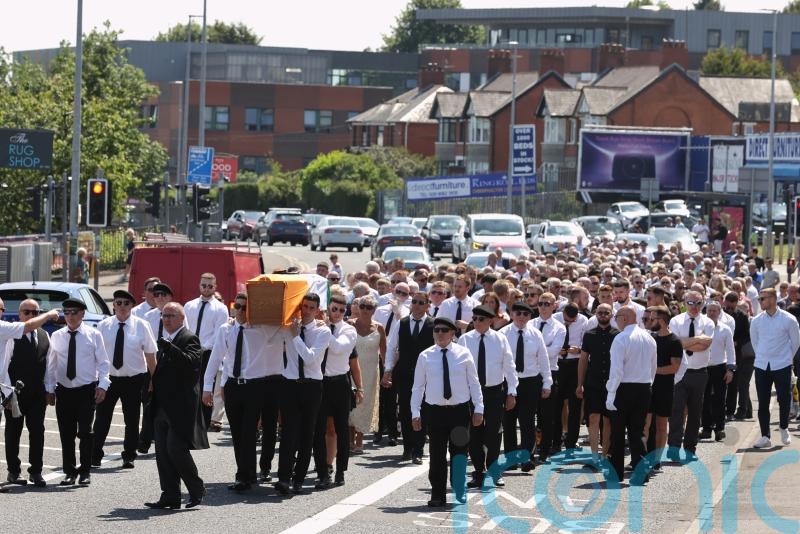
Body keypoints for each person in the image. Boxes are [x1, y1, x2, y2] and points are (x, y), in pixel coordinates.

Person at [203, 292, 278, 491]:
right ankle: (246, 473)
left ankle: (244, 476)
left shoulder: (263, 329)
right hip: (233, 386)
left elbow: (284, 324)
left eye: (245, 307)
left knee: (248, 431)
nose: (241, 311)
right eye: (238, 306)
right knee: (237, 433)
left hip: (254, 386)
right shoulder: (226, 329)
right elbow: (216, 358)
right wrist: (207, 388)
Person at [411, 316, 483, 507]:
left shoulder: (464, 353)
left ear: (452, 333)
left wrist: (479, 408)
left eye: (444, 330)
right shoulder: (425, 356)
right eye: (437, 330)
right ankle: (437, 494)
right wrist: (415, 412)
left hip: (459, 412)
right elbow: (418, 387)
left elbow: (474, 383)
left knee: (459, 453)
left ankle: (458, 489)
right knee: (436, 454)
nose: (440, 334)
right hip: (435, 412)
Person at [145, 302, 208, 509]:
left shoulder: (189, 338)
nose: (166, 319)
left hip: (181, 407)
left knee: (176, 449)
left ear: (181, 318)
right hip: (162, 405)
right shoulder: (167, 339)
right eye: (164, 316)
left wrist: (169, 348)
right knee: (162, 452)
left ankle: (196, 488)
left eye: (171, 315)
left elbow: (190, 364)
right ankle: (170, 494)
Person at [46, 298, 110, 486]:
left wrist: (103, 385)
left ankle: (85, 471)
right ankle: (70, 472)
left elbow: (104, 363)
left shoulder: (93, 334)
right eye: (66, 312)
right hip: (64, 391)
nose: (70, 316)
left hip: (86, 390)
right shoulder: (57, 336)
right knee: (66, 433)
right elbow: (51, 365)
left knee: (85, 433)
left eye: (74, 312)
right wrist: (49, 389)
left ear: (82, 314)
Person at [275, 293, 332, 495]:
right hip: (290, 385)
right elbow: (268, 337)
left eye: (311, 307)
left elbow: (309, 358)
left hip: (311, 386)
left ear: (317, 310)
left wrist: (295, 336)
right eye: (304, 306)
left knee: (307, 434)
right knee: (288, 432)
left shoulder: (323, 331)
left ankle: (298, 478)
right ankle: (283, 478)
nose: (306, 311)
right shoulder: (290, 327)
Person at [0, 299, 61, 487]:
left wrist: (49, 389)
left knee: (37, 432)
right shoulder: (11, 334)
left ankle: (36, 471)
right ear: (20, 314)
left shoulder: (44, 335)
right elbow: (5, 366)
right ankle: (14, 471)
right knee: (13, 432)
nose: (31, 316)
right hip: (15, 393)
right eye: (27, 312)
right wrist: (7, 394)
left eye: (35, 313)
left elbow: (49, 365)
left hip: (37, 393)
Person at [93, 290, 157, 469]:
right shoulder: (103, 325)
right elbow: (95, 355)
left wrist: (155, 379)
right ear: (113, 305)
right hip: (108, 379)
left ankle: (129, 455)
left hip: (134, 380)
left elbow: (150, 355)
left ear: (132, 306)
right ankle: (95, 455)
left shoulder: (142, 325)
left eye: (126, 303)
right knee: (102, 419)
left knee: (132, 419)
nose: (122, 306)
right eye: (118, 303)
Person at [459, 305, 518, 488]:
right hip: (471, 392)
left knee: (493, 432)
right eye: (474, 319)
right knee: (474, 432)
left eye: (481, 319)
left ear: (490, 321)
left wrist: (512, 392)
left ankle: (493, 469)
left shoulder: (500, 339)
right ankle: (478, 471)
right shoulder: (465, 339)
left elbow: (509, 366)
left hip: (494, 391)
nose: (476, 322)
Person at [606, 306, 657, 483]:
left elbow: (616, 370)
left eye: (617, 317)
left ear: (625, 318)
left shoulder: (621, 338)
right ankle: (641, 473)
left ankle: (616, 472)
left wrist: (611, 393)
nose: (616, 320)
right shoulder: (649, 338)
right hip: (644, 387)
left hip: (623, 388)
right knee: (637, 432)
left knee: (618, 432)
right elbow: (653, 367)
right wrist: (647, 384)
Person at [313, 294, 358, 489]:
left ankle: (340, 471)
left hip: (340, 383)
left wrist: (324, 330)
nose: (337, 313)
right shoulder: (318, 327)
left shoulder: (348, 330)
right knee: (319, 429)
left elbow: (339, 348)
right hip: (320, 382)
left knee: (341, 428)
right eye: (334, 309)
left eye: (341, 310)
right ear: (328, 309)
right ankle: (323, 471)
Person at [500, 302, 551, 472]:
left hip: (530, 381)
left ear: (530, 317)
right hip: (509, 381)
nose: (522, 317)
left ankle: (527, 457)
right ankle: (510, 458)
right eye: (518, 313)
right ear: (512, 314)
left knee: (527, 421)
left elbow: (543, 359)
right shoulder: (503, 334)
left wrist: (547, 382)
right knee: (509, 421)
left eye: (526, 314)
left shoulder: (536, 334)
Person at [382, 291, 432, 463]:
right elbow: (392, 347)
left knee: (422, 410)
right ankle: (407, 448)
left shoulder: (433, 324)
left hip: (426, 376)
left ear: (427, 305)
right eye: (414, 302)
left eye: (421, 303)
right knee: (405, 410)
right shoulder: (402, 323)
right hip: (404, 374)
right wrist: (388, 370)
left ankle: (418, 449)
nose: (417, 305)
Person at [750, 288, 800, 448]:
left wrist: (785, 358)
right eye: (759, 299)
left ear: (772, 298)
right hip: (761, 365)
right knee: (763, 402)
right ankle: (765, 436)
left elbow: (796, 342)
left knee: (784, 400)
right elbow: (755, 342)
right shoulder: (756, 320)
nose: (760, 301)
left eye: (762, 299)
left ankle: (784, 427)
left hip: (782, 365)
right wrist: (763, 356)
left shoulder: (789, 319)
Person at [668, 291, 714, 459]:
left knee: (695, 412)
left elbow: (704, 346)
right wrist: (697, 339)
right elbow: (675, 344)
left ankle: (690, 449)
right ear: (684, 303)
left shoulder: (708, 322)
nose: (694, 307)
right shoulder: (675, 321)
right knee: (676, 411)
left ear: (703, 303)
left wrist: (685, 342)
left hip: (699, 373)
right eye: (691, 303)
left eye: (698, 303)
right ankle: (673, 448)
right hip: (680, 373)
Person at [184, 273, 230, 431]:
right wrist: (189, 346)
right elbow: (185, 327)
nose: (206, 288)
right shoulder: (189, 305)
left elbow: (218, 334)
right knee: (189, 387)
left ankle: (204, 423)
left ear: (215, 287)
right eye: (204, 285)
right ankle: (189, 420)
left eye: (210, 286)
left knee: (205, 387)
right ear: (199, 285)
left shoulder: (221, 308)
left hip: (207, 353)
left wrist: (202, 347)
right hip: (189, 352)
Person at [577, 303, 618, 459]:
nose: (603, 315)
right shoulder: (589, 334)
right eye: (600, 312)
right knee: (593, 418)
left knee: (607, 420)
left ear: (611, 315)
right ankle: (594, 455)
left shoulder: (618, 335)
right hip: (593, 382)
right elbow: (583, 360)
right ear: (595, 314)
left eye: (606, 312)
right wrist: (579, 384)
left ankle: (605, 454)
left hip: (611, 383)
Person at [643, 305, 683, 465]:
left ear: (662, 321)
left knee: (661, 425)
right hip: (647, 388)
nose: (649, 321)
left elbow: (674, 367)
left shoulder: (674, 341)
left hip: (664, 388)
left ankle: (657, 460)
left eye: (652, 319)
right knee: (644, 425)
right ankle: (642, 457)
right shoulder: (649, 338)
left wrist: (653, 370)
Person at [531, 292, 566, 462]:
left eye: (547, 304)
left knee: (547, 415)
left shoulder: (559, 327)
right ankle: (531, 448)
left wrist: (533, 351)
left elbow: (554, 352)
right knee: (529, 414)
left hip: (550, 372)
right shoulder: (530, 323)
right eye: (541, 303)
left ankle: (545, 450)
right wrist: (542, 348)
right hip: (530, 373)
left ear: (554, 306)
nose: (543, 307)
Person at [351, 296, 385, 455]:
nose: (365, 309)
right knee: (351, 404)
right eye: (363, 306)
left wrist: (388, 374)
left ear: (374, 310)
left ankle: (359, 440)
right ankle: (349, 439)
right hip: (351, 370)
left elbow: (384, 353)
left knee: (365, 404)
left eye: (369, 307)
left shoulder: (380, 328)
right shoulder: (349, 325)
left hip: (371, 372)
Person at [553, 303, 588, 451]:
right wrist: (556, 350)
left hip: (575, 364)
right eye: (566, 320)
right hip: (558, 364)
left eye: (572, 321)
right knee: (556, 405)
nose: (569, 323)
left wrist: (578, 349)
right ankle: (556, 441)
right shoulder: (555, 318)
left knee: (575, 405)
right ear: (563, 313)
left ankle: (571, 442)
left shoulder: (583, 320)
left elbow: (586, 343)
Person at [700, 301, 735, 442]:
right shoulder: (700, 328)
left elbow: (731, 350)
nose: (711, 313)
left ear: (719, 312)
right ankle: (706, 428)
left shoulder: (725, 329)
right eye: (709, 310)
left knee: (719, 399)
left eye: (714, 311)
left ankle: (720, 428)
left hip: (720, 367)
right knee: (704, 399)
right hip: (703, 367)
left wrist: (730, 369)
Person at [722, 291, 753, 421]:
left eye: (731, 305)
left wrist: (736, 342)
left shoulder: (742, 316)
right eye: (727, 305)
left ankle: (732, 410)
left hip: (737, 354)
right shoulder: (721, 314)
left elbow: (746, 335)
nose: (728, 308)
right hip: (721, 352)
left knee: (735, 383)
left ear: (736, 303)